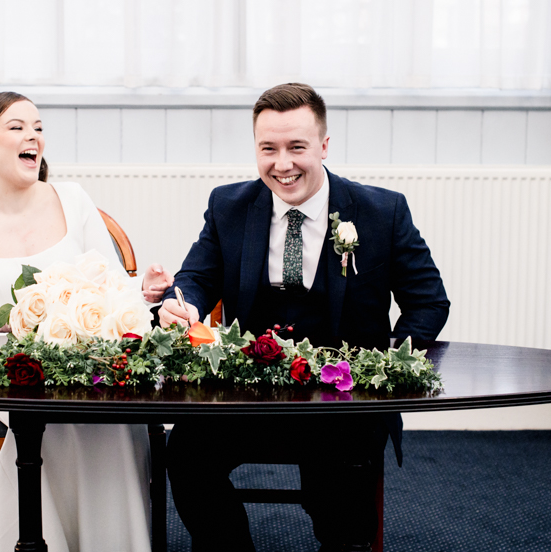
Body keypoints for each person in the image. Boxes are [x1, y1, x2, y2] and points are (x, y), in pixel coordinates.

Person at [159, 83, 450, 552]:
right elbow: (194, 278)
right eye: (268, 149)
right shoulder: (228, 206)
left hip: (343, 401)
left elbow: (429, 302)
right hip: (245, 393)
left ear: (324, 146)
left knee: (339, 504)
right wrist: (184, 303)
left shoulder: (381, 212)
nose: (283, 163)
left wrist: (390, 368)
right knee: (187, 456)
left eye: (297, 147)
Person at [0, 92, 172, 552]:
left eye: (39, 127)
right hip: (16, 379)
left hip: (96, 368)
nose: (33, 137)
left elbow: (110, 289)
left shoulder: (72, 198)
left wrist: (141, 295)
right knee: (51, 418)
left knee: (102, 412)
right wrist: (6, 324)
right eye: (17, 127)